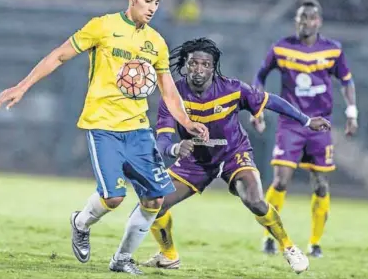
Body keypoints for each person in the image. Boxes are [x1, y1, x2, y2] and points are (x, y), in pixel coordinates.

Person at [0, 0, 209, 275]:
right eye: (147, 0)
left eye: (157, 3)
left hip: (137, 129)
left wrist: (186, 120)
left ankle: (121, 259)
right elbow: (59, 56)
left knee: (154, 199)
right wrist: (22, 86)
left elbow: (167, 89)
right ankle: (80, 223)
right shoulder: (102, 27)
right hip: (103, 126)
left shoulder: (156, 42)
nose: (152, 8)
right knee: (114, 197)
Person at [141, 37, 331, 274]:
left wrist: (306, 120)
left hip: (234, 154)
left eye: (205, 64)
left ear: (213, 67)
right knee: (153, 202)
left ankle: (289, 247)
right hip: (196, 161)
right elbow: (163, 140)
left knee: (254, 200)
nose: (199, 69)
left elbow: (272, 101)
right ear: (185, 65)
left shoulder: (232, 88)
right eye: (193, 63)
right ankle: (168, 255)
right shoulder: (173, 95)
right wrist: (174, 149)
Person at [251, 0, 358, 258]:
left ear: (318, 21)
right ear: (296, 21)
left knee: (321, 184)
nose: (305, 22)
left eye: (310, 18)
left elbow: (346, 81)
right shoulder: (281, 48)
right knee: (280, 180)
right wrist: (257, 108)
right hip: (291, 123)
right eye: (301, 17)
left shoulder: (333, 50)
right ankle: (269, 237)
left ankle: (315, 243)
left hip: (320, 125)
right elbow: (260, 75)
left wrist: (352, 112)